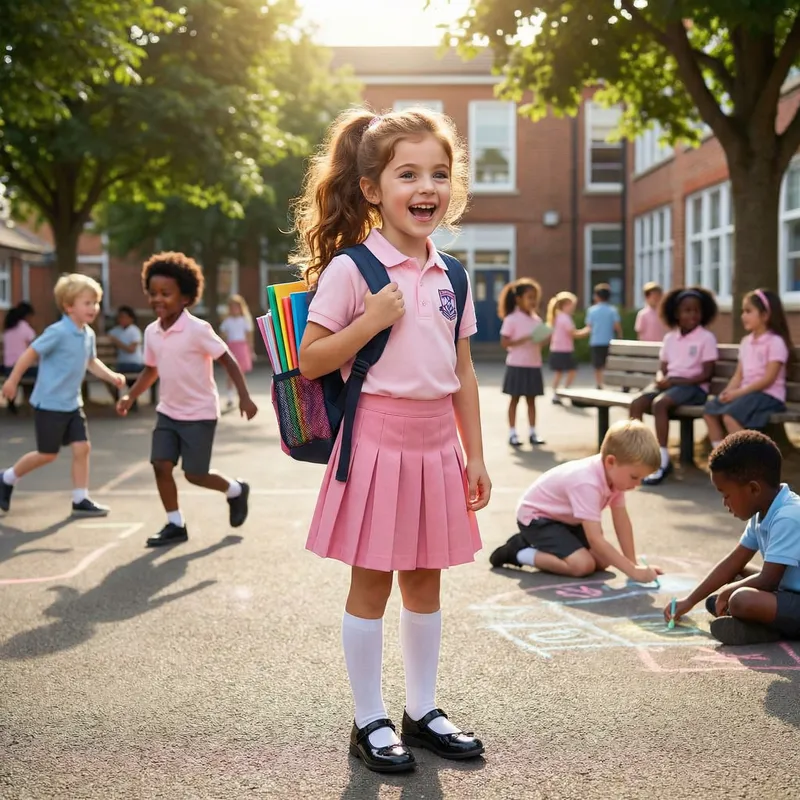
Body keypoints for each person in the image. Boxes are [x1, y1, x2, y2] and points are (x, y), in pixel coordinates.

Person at [293, 107, 490, 774]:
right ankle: (369, 719)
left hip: (438, 445)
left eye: (439, 172)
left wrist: (478, 456)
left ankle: (423, 710)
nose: (425, 186)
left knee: (427, 579)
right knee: (373, 581)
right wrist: (370, 319)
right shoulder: (353, 271)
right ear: (373, 188)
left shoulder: (454, 276)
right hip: (375, 441)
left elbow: (462, 372)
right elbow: (313, 358)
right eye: (407, 173)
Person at [116, 252, 258, 547]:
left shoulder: (198, 329)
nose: (158, 299)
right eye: (153, 293)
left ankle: (234, 489)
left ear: (185, 297)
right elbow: (151, 370)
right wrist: (131, 395)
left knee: (195, 474)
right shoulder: (151, 332)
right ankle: (175, 523)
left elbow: (228, 360)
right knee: (160, 464)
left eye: (166, 293)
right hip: (168, 412)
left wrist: (244, 397)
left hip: (200, 414)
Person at [0, 275, 126, 515]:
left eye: (95, 303)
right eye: (87, 303)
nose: (93, 308)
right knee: (47, 454)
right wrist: (13, 381)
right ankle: (6, 478)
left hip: (72, 404)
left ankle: (80, 499)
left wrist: (111, 376)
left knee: (82, 448)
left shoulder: (87, 334)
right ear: (69, 306)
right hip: (49, 404)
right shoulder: (57, 332)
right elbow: (29, 354)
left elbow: (91, 361)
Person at [666, 431, 800, 646]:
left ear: (753, 489)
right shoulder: (763, 512)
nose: (724, 503)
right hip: (788, 592)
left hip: (792, 595)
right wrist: (690, 600)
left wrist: (729, 592)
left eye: (726, 494)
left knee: (740, 599)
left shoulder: (788, 516)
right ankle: (758, 625)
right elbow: (733, 562)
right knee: (734, 579)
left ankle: (765, 630)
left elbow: (768, 580)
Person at [489, 419, 662, 583]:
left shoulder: (615, 477)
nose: (637, 484)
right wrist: (632, 572)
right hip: (536, 518)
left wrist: (634, 565)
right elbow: (596, 539)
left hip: (565, 519)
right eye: (634, 477)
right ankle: (518, 551)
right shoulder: (587, 482)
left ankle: (546, 545)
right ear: (611, 462)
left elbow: (622, 522)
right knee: (582, 565)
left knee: (602, 561)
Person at [629, 286, 718, 486]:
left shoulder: (706, 338)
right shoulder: (670, 338)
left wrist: (673, 381)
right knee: (637, 403)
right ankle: (637, 455)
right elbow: (663, 369)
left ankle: (662, 462)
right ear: (676, 313)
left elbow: (705, 375)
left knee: (660, 404)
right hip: (670, 385)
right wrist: (661, 378)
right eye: (687, 310)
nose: (693, 314)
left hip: (694, 388)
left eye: (697, 310)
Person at [704, 288, 794, 448]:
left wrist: (738, 393)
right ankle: (721, 456)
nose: (743, 316)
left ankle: (750, 459)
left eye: (748, 311)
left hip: (768, 395)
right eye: (742, 311)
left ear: (765, 315)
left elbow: (769, 379)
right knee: (710, 410)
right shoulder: (746, 342)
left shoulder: (775, 342)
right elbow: (739, 375)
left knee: (730, 416)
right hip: (747, 394)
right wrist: (728, 392)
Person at [498, 277, 546, 446]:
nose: (533, 301)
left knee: (532, 401)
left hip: (534, 365)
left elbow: (540, 343)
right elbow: (504, 342)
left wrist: (543, 338)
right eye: (530, 297)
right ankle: (512, 433)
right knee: (514, 399)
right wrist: (524, 339)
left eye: (535, 297)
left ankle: (533, 433)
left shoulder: (537, 320)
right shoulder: (511, 319)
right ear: (519, 299)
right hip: (516, 365)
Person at [546, 291, 588, 405]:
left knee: (559, 373)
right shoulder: (565, 318)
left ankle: (557, 393)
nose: (573, 308)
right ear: (565, 305)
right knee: (571, 371)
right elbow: (573, 333)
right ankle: (564, 391)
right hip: (564, 350)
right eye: (572, 306)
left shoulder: (557, 317)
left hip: (556, 348)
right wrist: (587, 330)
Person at [219, 293, 255, 408]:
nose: (234, 309)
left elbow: (249, 336)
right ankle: (230, 396)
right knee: (231, 373)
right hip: (231, 348)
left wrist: (250, 350)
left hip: (242, 347)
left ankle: (242, 395)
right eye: (232, 307)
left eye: (237, 307)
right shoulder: (227, 321)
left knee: (240, 373)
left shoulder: (244, 320)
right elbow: (222, 334)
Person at [585, 283, 622, 389]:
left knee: (597, 365)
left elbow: (589, 326)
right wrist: (620, 337)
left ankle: (599, 383)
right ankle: (608, 382)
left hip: (596, 341)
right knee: (609, 364)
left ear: (596, 296)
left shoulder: (592, 310)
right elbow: (617, 326)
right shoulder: (612, 310)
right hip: (609, 341)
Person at [2, 301, 37, 413]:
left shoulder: (8, 327)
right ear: (27, 315)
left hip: (7, 368)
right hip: (21, 368)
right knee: (41, 372)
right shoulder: (24, 327)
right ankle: (30, 401)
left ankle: (12, 402)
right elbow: (35, 344)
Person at [107, 305, 144, 372]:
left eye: (124, 317)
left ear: (131, 319)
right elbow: (108, 336)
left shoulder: (135, 331)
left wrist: (117, 342)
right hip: (121, 363)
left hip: (135, 364)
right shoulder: (116, 330)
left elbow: (131, 349)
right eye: (120, 317)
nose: (121, 319)